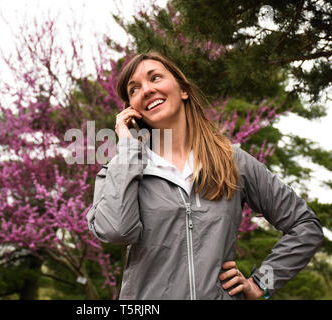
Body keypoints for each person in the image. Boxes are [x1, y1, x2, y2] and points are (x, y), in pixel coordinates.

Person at [86, 51, 324, 300]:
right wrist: (126, 150)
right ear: (132, 111)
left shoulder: (232, 161)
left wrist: (261, 283)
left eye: (155, 78)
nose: (145, 90)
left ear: (183, 90)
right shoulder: (121, 171)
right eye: (133, 89)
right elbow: (116, 231)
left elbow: (305, 226)